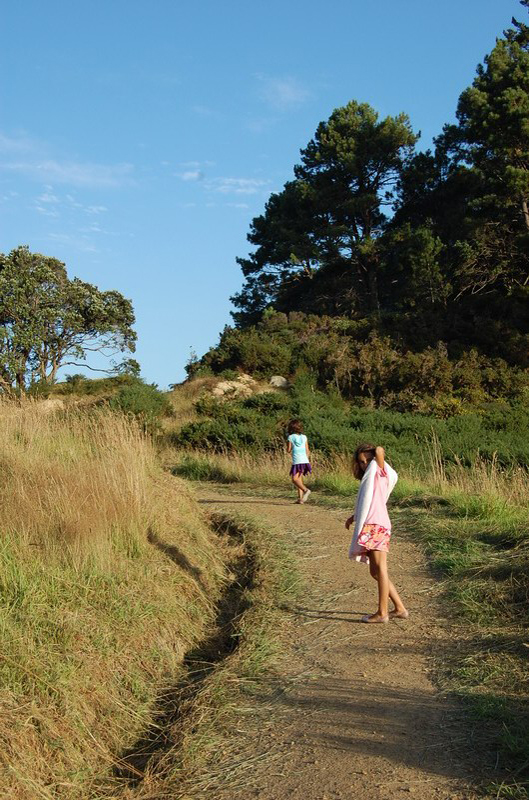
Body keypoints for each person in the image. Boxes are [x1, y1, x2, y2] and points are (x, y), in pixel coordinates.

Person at [345, 443, 408, 624]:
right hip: (372, 525)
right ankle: (400, 608)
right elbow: (369, 502)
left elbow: (380, 450)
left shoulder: (381, 472)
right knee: (375, 571)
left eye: (367, 461)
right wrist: (354, 516)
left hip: (377, 525)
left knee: (381, 568)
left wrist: (375, 456)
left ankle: (382, 613)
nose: (365, 465)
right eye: (361, 462)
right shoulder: (371, 479)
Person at [286, 420, 312, 504]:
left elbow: (288, 450)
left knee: (294, 479)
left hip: (297, 460)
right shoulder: (304, 437)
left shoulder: (291, 437)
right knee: (299, 478)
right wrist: (307, 459)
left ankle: (306, 490)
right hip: (304, 460)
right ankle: (300, 499)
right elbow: (307, 450)